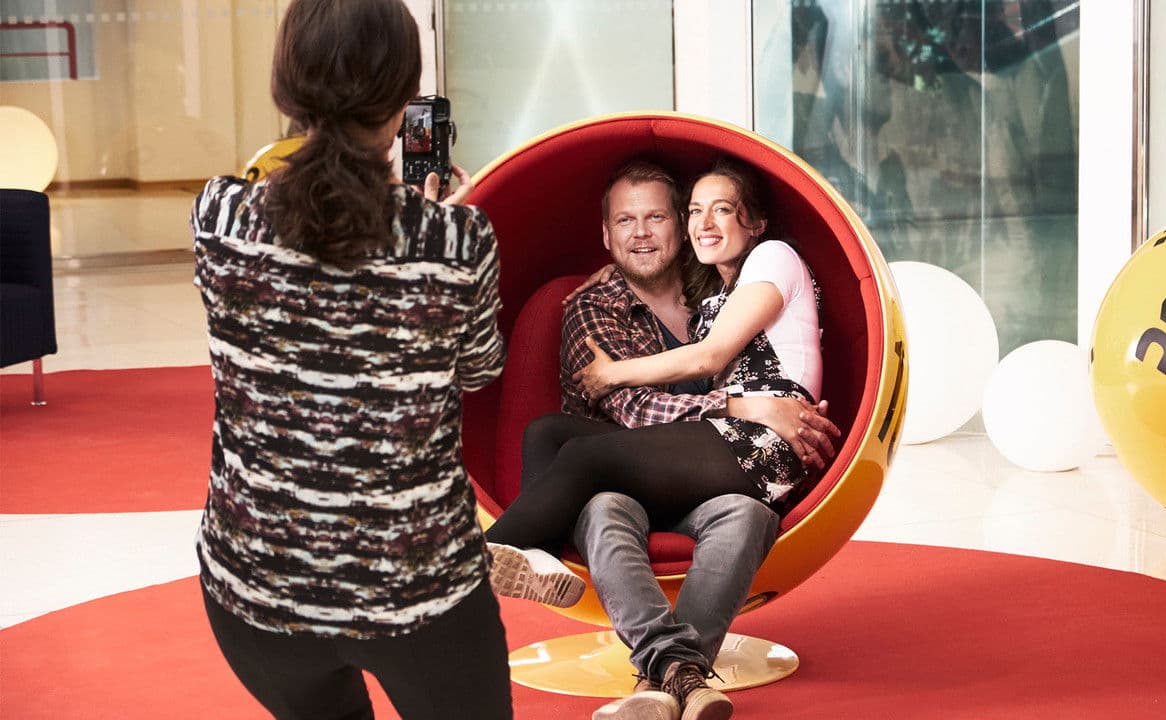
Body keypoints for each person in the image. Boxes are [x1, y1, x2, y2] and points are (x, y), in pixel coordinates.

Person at [190, 1, 510, 718]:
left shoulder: (217, 215)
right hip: (417, 587)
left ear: (285, 85)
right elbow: (478, 370)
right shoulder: (456, 241)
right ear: (404, 99)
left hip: (255, 586)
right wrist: (435, 216)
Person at [487, 158, 832, 720]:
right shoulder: (603, 305)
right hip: (665, 465)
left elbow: (710, 357)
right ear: (607, 234)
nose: (642, 234)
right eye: (626, 222)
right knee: (550, 434)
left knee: (730, 508)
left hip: (745, 453)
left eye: (658, 218)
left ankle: (482, 562)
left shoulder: (747, 270)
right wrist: (740, 402)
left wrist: (620, 373)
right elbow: (633, 410)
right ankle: (681, 682)